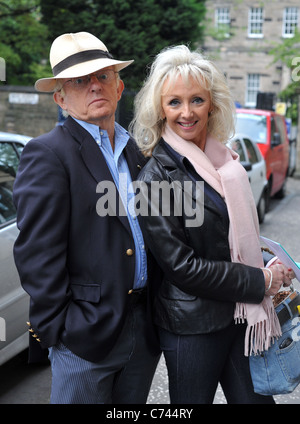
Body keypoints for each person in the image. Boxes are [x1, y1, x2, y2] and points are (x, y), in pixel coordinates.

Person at [129, 45, 295, 404]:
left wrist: (268, 264)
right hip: (191, 328)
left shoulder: (226, 165)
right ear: (159, 108)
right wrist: (260, 280)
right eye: (174, 102)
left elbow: (228, 240)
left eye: (196, 101)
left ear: (212, 104)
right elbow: (181, 267)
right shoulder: (153, 180)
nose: (186, 113)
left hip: (241, 319)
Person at [13, 32, 161, 404]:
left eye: (102, 75)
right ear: (61, 98)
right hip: (85, 339)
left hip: (143, 331)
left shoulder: (136, 152)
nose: (94, 85)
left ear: (120, 86)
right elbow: (36, 256)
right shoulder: (47, 153)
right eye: (79, 80)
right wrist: (62, 332)